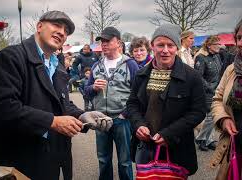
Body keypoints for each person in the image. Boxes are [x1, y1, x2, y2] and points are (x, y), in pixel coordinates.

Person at [0, 10, 112, 180]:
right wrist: (52, 121)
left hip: (49, 157)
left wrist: (82, 115)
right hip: (17, 159)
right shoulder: (11, 56)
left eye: (66, 31)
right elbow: (2, 107)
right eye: (57, 25)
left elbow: (61, 103)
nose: (62, 32)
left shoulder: (57, 65)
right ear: (39, 26)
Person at [126, 24, 206, 176]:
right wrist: (138, 125)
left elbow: (198, 111)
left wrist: (169, 134)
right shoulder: (141, 74)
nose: (165, 50)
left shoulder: (192, 76)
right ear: (152, 46)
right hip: (146, 146)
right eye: (160, 45)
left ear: (177, 47)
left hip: (177, 147)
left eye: (170, 45)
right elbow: (132, 103)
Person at [85, 26, 139, 180]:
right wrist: (93, 87)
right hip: (100, 119)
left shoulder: (130, 64)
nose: (104, 44)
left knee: (124, 161)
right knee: (103, 159)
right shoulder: (96, 65)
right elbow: (86, 91)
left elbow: (138, 94)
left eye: (108, 40)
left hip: (122, 120)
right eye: (102, 41)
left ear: (119, 42)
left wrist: (125, 114)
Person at [210, 17, 242, 180]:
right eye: (239, 37)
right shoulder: (231, 69)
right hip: (234, 144)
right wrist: (223, 119)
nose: (241, 43)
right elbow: (217, 99)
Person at [194, 35, 223, 151]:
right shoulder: (201, 57)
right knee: (211, 116)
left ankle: (208, 140)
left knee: (212, 117)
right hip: (207, 92)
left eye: (219, 44)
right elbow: (198, 77)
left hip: (218, 90)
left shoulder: (217, 56)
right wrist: (210, 87)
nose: (219, 47)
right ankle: (201, 139)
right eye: (216, 45)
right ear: (209, 46)